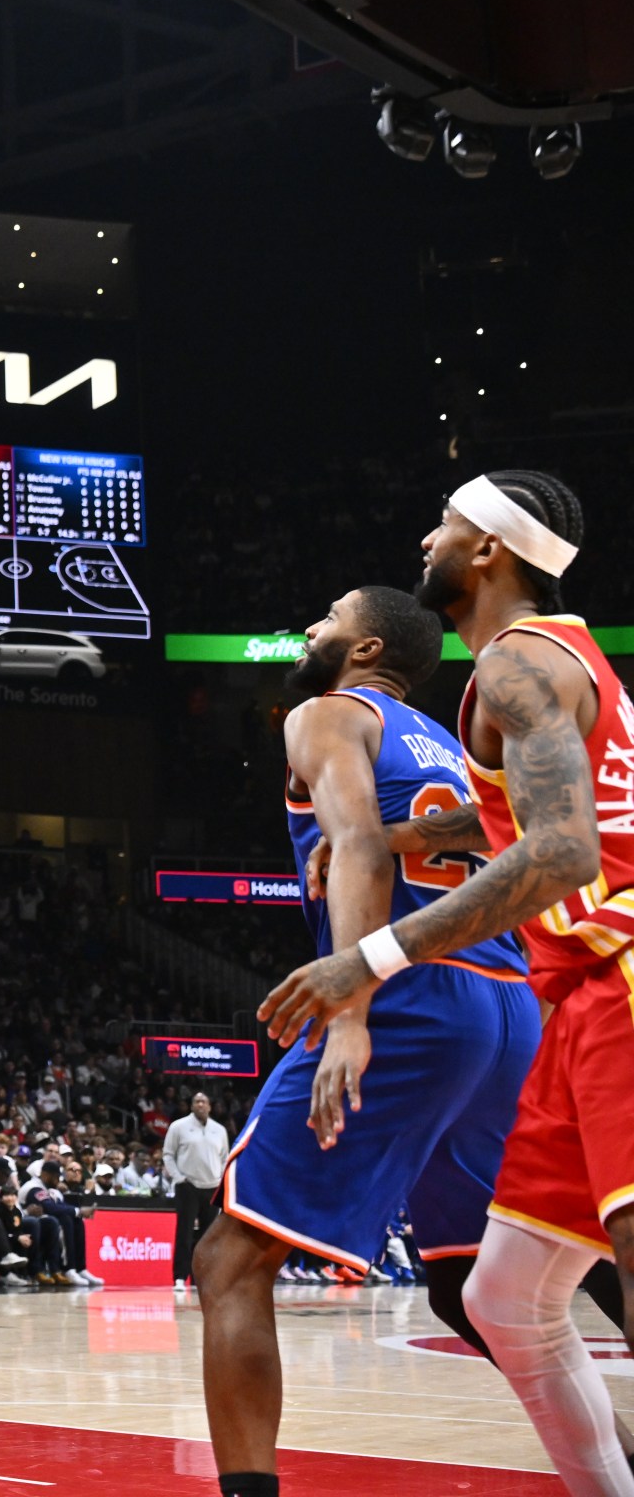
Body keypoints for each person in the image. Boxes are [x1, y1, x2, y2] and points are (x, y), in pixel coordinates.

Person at [264, 471, 634, 1497]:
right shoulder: (549, 662)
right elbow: (532, 814)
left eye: (446, 524)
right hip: (563, 997)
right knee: (501, 1296)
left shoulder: (516, 659)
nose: (427, 539)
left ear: (488, 550)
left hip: (617, 973)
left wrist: (369, 956)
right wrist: (411, 835)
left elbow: (562, 849)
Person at [200, 585, 537, 1493]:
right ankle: (614, 1456)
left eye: (330, 616)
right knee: (475, 1287)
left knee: (230, 1260)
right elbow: (518, 828)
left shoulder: (327, 714)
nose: (310, 627)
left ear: (366, 649)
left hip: (407, 995)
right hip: (509, 1004)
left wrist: (350, 1010)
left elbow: (354, 845)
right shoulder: (453, 746)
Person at [163, 1093, 228, 1290]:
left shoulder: (219, 1130)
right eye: (197, 1102)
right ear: (191, 1106)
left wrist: (220, 1180)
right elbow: (168, 1154)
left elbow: (224, 1158)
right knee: (184, 1233)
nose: (200, 1104)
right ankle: (180, 1277)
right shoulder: (178, 1126)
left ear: (209, 1106)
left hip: (212, 1187)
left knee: (208, 1236)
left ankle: (203, 1277)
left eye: (204, 1102)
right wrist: (178, 1178)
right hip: (188, 1185)